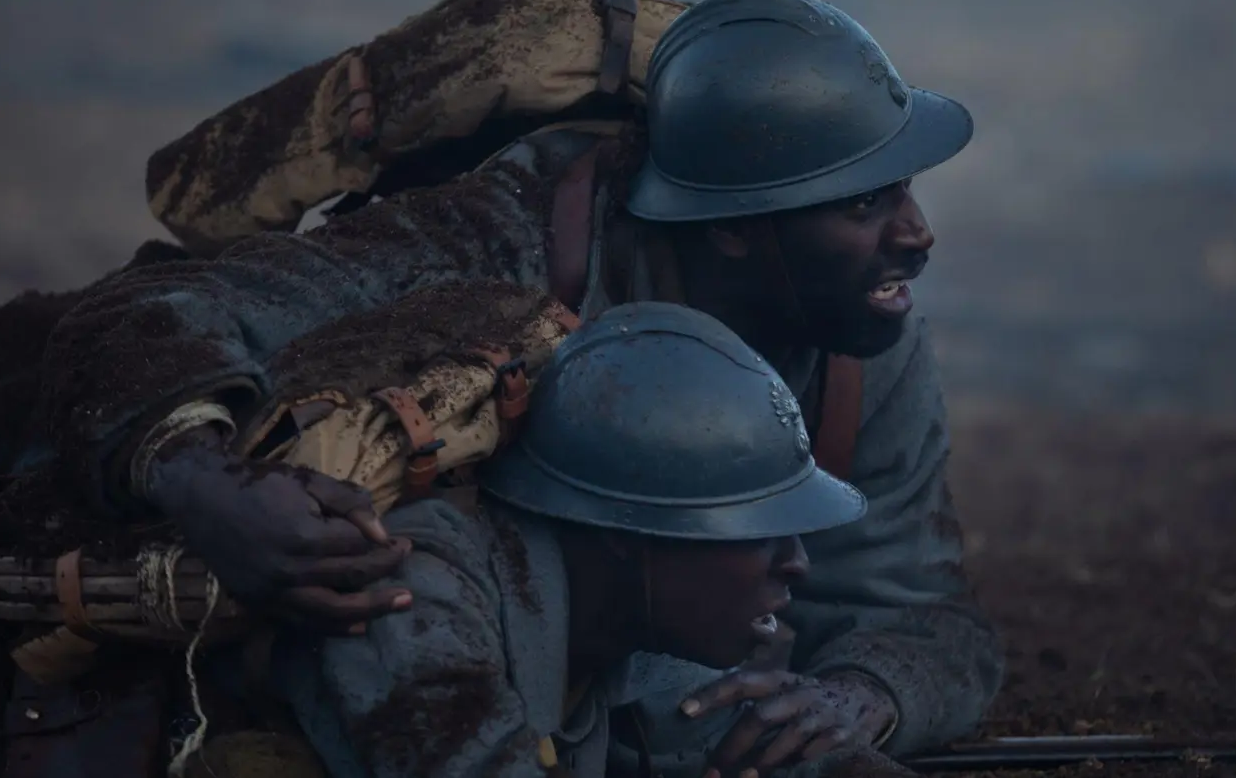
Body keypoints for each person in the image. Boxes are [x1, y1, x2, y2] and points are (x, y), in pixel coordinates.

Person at [34, 0, 1004, 769]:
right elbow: (146, 316)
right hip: (391, 653)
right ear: (736, 227)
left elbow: (917, 611)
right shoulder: (487, 246)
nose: (915, 236)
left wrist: (860, 700)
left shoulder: (856, 340)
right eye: (865, 203)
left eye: (905, 191)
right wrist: (210, 488)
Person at [211, 301, 876, 778]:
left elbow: (735, 731)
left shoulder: (625, 627)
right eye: (761, 531)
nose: (798, 564)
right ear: (628, 530)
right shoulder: (414, 595)